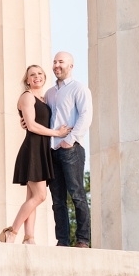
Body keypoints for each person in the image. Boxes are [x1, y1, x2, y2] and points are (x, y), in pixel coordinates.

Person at [0, 65, 72, 244]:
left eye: (39, 74)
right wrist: (57, 133)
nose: (36, 77)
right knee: (40, 196)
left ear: (44, 77)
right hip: (33, 149)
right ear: (27, 80)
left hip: (42, 149)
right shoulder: (27, 96)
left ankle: (29, 238)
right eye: (32, 75)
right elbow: (31, 125)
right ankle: (12, 231)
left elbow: (32, 121)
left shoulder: (44, 98)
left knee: (32, 197)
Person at [44, 51, 93, 247]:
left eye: (61, 62)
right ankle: (62, 241)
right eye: (54, 61)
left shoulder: (79, 89)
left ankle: (82, 240)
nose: (57, 65)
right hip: (52, 151)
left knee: (77, 195)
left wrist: (70, 140)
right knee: (57, 200)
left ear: (71, 66)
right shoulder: (49, 93)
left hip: (71, 150)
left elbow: (86, 116)